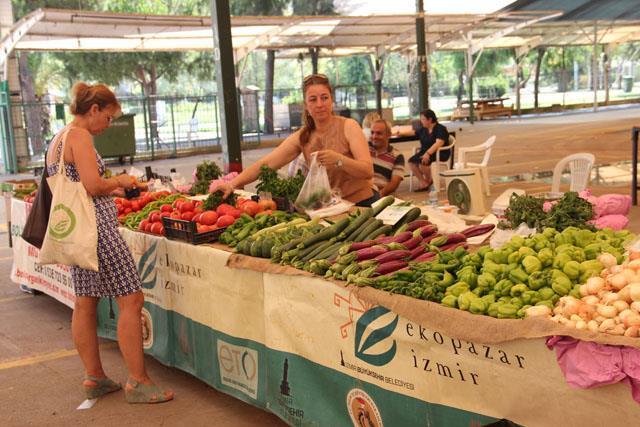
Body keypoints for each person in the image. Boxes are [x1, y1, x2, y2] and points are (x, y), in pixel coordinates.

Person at [45, 82, 173, 404]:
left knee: (85, 300)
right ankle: (139, 381)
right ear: (94, 110)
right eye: (109, 117)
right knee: (131, 299)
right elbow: (92, 184)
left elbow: (77, 186)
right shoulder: (80, 136)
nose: (108, 125)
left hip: (76, 232)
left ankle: (95, 377)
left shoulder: (57, 139)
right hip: (99, 231)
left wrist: (109, 190)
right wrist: (119, 181)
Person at [216, 74, 377, 206]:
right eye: (313, 99)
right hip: (331, 210)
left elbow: (367, 171)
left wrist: (339, 160)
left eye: (324, 98)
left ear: (331, 100)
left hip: (363, 205)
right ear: (306, 105)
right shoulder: (302, 137)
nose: (320, 104)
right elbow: (265, 164)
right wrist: (232, 184)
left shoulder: (349, 126)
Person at [407, 109, 450, 191]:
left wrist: (428, 153)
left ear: (430, 119)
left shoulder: (440, 129)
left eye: (423, 119)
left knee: (423, 162)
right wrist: (398, 132)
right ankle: (423, 182)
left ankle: (429, 180)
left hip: (439, 152)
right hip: (425, 152)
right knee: (411, 162)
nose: (421, 121)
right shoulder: (424, 129)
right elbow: (413, 133)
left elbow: (439, 143)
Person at [369, 119, 405, 196]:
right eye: (372, 132)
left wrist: (378, 196)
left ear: (389, 135)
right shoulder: (364, 149)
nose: (374, 136)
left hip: (383, 194)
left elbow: (394, 184)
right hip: (363, 193)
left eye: (379, 133)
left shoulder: (397, 155)